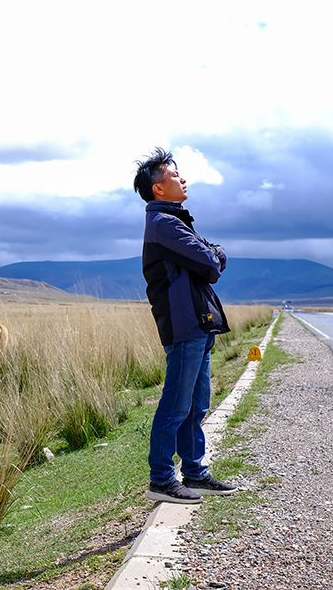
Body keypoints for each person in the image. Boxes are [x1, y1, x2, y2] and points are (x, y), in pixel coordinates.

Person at [133, 147, 237, 504]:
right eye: (176, 175)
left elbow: (209, 256)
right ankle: (161, 480)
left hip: (198, 323)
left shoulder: (175, 222)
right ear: (158, 188)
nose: (183, 179)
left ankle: (194, 472)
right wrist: (214, 255)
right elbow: (210, 262)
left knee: (196, 405)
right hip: (184, 327)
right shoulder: (164, 226)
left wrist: (212, 254)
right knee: (176, 404)